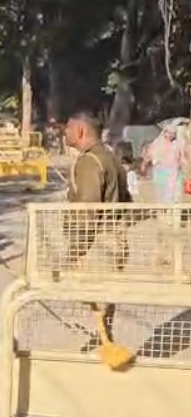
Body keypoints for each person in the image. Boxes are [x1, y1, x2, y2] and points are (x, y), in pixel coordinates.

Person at [64, 112, 132, 340]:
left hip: (96, 245)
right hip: (115, 239)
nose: (65, 132)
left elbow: (87, 211)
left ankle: (103, 346)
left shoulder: (89, 162)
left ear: (80, 130)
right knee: (105, 302)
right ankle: (104, 342)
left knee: (95, 303)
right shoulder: (110, 157)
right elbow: (127, 200)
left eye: (68, 128)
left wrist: (75, 251)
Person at [141, 123, 187, 204]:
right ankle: (163, 210)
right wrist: (144, 164)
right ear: (164, 133)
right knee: (161, 193)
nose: (169, 135)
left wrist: (183, 167)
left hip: (173, 172)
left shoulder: (176, 144)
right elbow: (149, 155)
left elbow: (181, 158)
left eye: (172, 133)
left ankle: (172, 209)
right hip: (160, 171)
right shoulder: (157, 143)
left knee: (173, 194)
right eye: (168, 132)